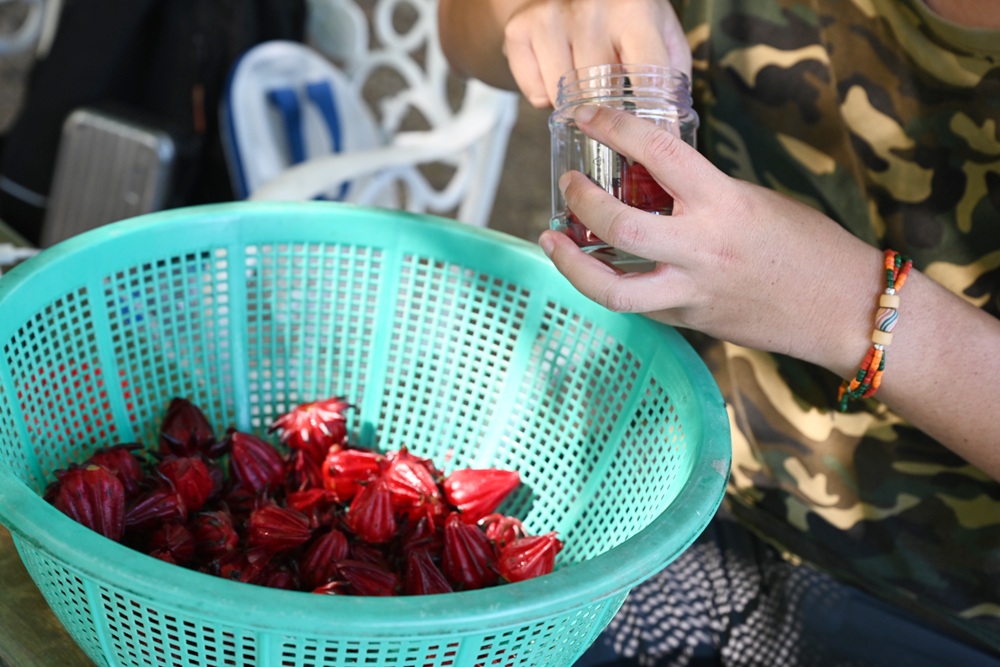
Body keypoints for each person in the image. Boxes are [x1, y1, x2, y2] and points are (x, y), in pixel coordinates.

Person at [438, 0, 1000, 665]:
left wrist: (842, 302)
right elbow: (462, 36)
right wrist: (528, 12)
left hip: (932, 599)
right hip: (663, 479)